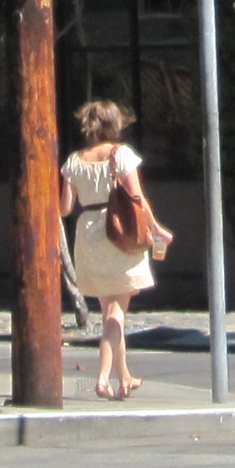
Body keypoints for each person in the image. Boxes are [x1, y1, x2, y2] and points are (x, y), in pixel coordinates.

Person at [62, 99, 166, 400]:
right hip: (120, 232)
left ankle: (125, 377)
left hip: (88, 233)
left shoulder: (74, 161)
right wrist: (155, 228)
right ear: (116, 124)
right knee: (116, 313)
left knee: (109, 308)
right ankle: (103, 378)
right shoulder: (122, 155)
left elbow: (65, 208)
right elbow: (136, 197)